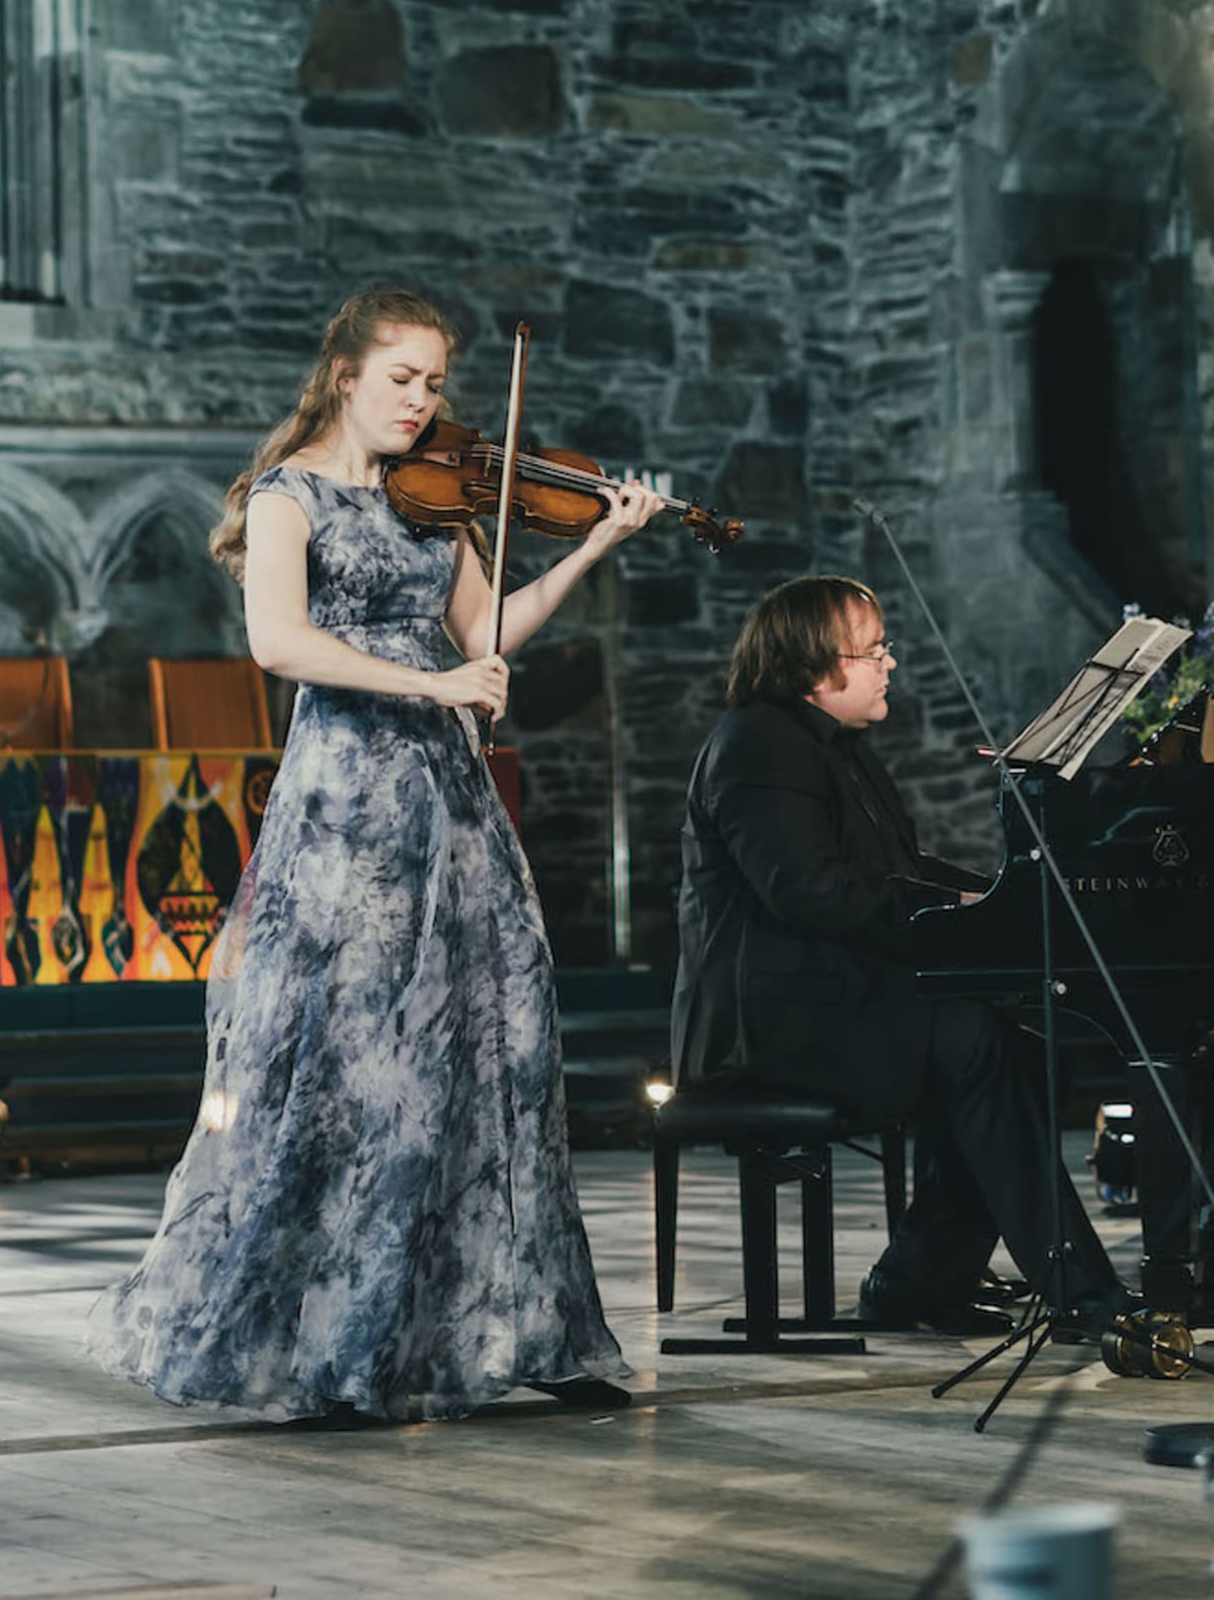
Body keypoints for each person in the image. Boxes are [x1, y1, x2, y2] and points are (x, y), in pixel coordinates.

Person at [89, 287, 664, 1420]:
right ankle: (334, 1341)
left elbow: (486, 633)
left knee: (496, 1037)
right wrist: (434, 683)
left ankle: (525, 1326)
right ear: (344, 372)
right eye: (402, 377)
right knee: (357, 1057)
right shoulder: (285, 496)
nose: (423, 400)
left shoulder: (434, 500)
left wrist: (599, 537)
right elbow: (280, 642)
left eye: (437, 382)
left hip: (447, 803)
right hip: (348, 804)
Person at [671, 574, 1142, 1346]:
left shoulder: (839, 747)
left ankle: (919, 1281)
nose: (889, 663)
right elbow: (810, 893)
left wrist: (998, 897)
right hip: (770, 1018)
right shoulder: (757, 740)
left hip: (833, 997)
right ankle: (1082, 1293)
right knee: (979, 1041)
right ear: (816, 667)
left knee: (1029, 1047)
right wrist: (957, 913)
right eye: (874, 650)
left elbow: (902, 864)